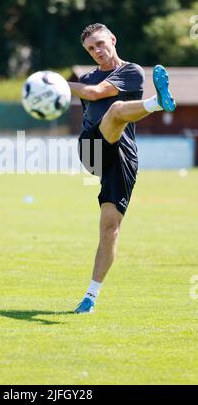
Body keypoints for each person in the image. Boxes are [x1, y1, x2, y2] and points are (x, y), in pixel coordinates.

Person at [67, 23, 176, 313]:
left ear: (113, 39)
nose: (97, 51)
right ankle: (158, 102)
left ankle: (90, 297)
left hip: (122, 155)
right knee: (116, 111)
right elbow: (89, 94)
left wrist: (59, 84)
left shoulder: (131, 71)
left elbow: (94, 93)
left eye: (101, 44)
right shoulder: (88, 77)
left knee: (110, 228)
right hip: (91, 149)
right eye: (91, 49)